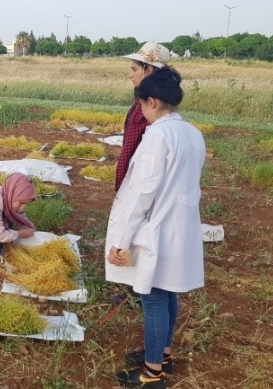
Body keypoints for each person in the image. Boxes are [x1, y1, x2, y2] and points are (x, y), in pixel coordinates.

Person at [104, 67, 205, 389]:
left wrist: (121, 241)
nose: (141, 112)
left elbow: (141, 193)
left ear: (151, 102)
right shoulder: (191, 132)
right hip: (179, 225)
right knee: (167, 288)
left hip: (156, 226)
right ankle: (163, 355)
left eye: (141, 105)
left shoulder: (158, 136)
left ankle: (152, 374)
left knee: (152, 297)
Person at [109, 42, 172, 307]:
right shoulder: (143, 102)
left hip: (142, 182)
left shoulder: (153, 109)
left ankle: (141, 288)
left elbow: (148, 156)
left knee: (137, 230)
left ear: (149, 70)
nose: (130, 74)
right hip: (134, 179)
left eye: (135, 69)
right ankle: (135, 285)